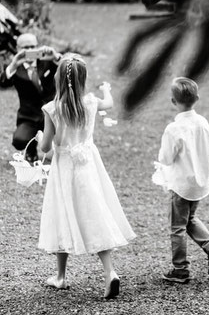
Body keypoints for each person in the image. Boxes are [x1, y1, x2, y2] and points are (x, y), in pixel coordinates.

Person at [37, 54, 136, 299]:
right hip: (89, 166)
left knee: (63, 214)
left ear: (59, 79)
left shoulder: (52, 109)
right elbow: (109, 103)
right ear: (83, 80)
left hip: (64, 169)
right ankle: (109, 272)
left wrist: (41, 140)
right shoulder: (91, 102)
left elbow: (46, 148)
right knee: (95, 213)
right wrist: (106, 88)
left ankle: (60, 277)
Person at [156, 77, 209, 284]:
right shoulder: (202, 122)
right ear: (197, 98)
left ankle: (180, 269)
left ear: (172, 101)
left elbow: (166, 158)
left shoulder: (174, 129)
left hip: (181, 184)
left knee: (177, 226)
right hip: (200, 181)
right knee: (189, 219)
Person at [0, 33, 60, 162]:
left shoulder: (48, 62)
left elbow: (67, 68)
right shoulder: (15, 67)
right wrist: (14, 64)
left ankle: (60, 151)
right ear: (17, 48)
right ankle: (31, 150)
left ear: (38, 47)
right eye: (25, 47)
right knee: (19, 141)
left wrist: (55, 57)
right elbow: (3, 82)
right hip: (29, 116)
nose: (29, 51)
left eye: (33, 46)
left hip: (51, 113)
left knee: (63, 135)